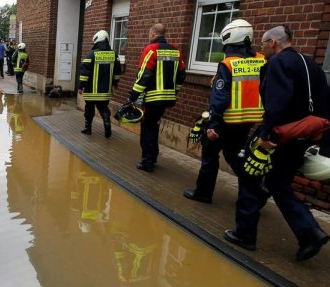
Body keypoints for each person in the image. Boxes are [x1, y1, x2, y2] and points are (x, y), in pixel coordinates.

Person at [225, 25, 330, 261]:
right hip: (303, 137)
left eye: (263, 43)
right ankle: (310, 232)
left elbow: (276, 101)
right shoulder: (311, 64)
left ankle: (245, 235)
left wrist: (266, 136)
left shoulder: (278, 63)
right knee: (278, 183)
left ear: (273, 42)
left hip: (279, 136)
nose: (261, 48)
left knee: (250, 177)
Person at [184, 19, 266, 204]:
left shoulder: (228, 64)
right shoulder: (262, 60)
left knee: (210, 157)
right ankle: (256, 190)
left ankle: (203, 193)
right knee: (234, 156)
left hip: (225, 121)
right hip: (248, 122)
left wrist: (212, 124)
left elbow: (219, 98)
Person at [127, 23, 186, 172]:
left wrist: (132, 96)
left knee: (147, 128)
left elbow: (143, 75)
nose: (148, 36)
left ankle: (147, 162)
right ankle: (152, 157)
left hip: (152, 98)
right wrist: (175, 92)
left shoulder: (151, 49)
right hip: (167, 99)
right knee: (154, 126)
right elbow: (181, 75)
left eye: (149, 34)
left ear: (153, 34)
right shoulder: (175, 51)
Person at [78, 30, 122, 138]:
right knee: (103, 108)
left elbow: (84, 73)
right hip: (105, 91)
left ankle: (88, 129)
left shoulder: (91, 55)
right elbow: (117, 72)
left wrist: (81, 87)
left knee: (89, 109)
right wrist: (115, 83)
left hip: (91, 91)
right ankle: (107, 125)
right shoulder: (114, 55)